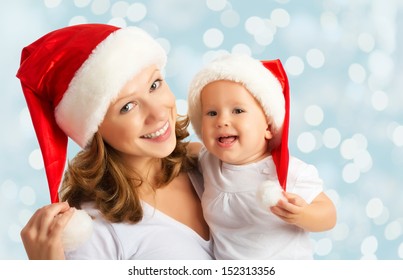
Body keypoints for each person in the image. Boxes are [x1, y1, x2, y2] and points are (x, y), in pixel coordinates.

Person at [16, 23, 213, 260]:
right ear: (94, 130)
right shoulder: (94, 232)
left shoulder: (209, 165)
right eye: (127, 107)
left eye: (154, 84)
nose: (158, 113)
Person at [187, 53, 337, 259]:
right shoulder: (209, 162)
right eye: (211, 113)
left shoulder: (287, 173)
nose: (222, 121)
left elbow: (329, 215)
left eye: (238, 110)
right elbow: (186, 150)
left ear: (268, 126)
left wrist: (303, 214)